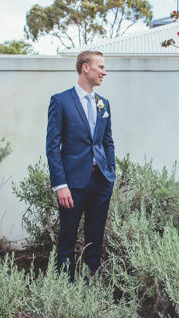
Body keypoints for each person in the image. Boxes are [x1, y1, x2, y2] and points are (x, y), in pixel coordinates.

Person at [46, 50, 115, 281]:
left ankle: (91, 284)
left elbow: (107, 142)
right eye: (100, 67)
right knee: (67, 238)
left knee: (95, 237)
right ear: (85, 68)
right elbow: (52, 146)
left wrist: (111, 173)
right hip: (72, 184)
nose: (104, 72)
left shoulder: (103, 103)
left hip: (101, 182)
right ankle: (66, 288)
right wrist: (60, 184)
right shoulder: (61, 101)